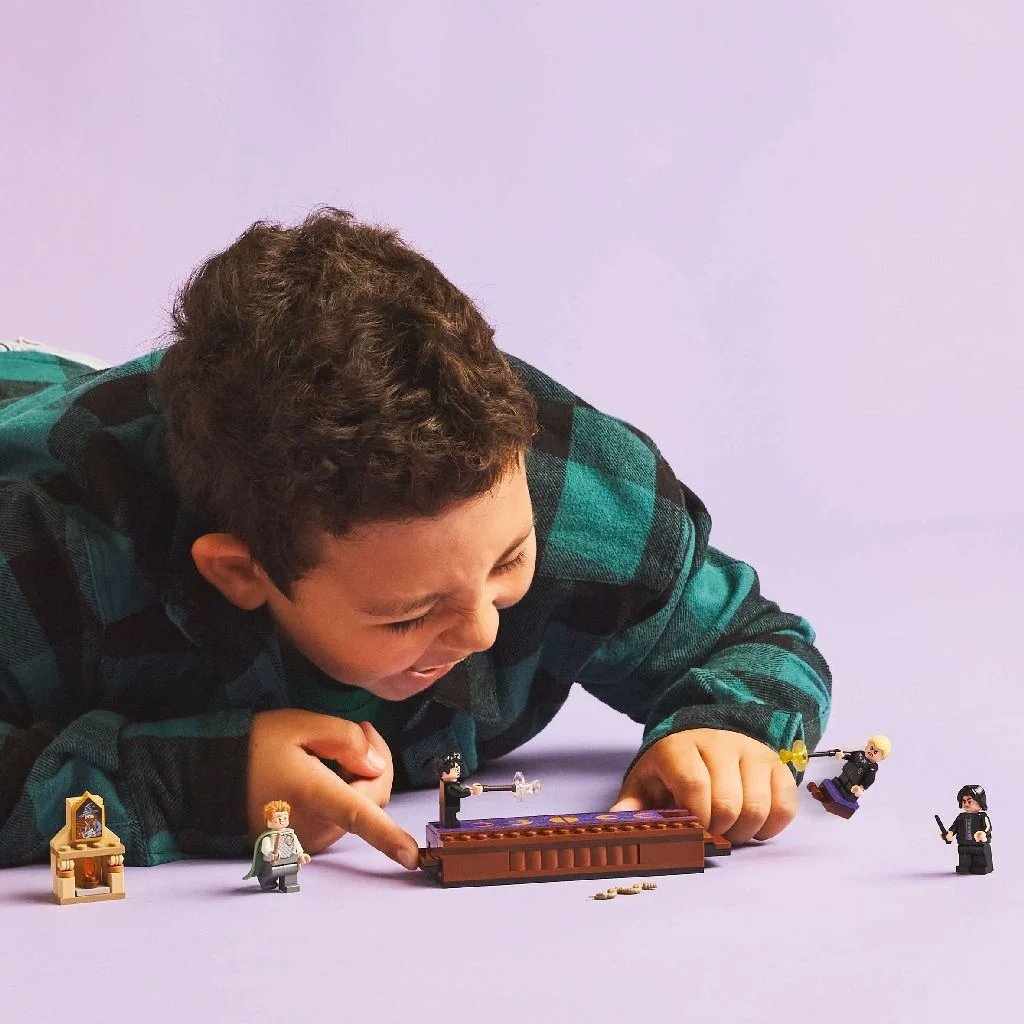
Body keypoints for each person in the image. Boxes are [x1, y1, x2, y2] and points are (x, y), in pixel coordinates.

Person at [0, 208, 831, 871]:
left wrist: (729, 731)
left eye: (510, 561)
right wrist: (197, 781)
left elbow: (756, 638)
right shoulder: (48, 553)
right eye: (407, 615)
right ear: (239, 573)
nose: (483, 632)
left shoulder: (578, 491)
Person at [807, 735, 890, 818]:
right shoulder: (859, 754)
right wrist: (842, 754)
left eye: (876, 752)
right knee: (831, 786)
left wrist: (861, 788)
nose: (872, 752)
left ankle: (820, 796)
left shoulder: (872, 768)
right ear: (867, 746)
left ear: (881, 758)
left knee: (838, 797)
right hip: (841, 779)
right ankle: (819, 793)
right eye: (871, 748)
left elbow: (870, 779)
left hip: (850, 791)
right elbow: (850, 755)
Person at [243, 799, 311, 892]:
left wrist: (301, 855)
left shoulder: (291, 834)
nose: (282, 820)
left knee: (291, 871)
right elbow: (265, 849)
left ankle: (288, 884)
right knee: (269, 874)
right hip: (273, 862)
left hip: (290, 860)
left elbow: (297, 846)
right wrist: (271, 853)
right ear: (268, 820)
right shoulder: (268, 837)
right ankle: (268, 884)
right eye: (279, 818)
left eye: (285, 818)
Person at [944, 785, 992, 875]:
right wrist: (949, 833)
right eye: (964, 801)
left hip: (979, 845)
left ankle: (980, 867)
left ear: (979, 801)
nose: (966, 804)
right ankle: (964, 867)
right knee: (964, 858)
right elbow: (954, 827)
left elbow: (988, 827)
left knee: (980, 858)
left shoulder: (982, 816)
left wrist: (983, 833)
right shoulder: (961, 817)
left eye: (969, 801)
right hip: (964, 844)